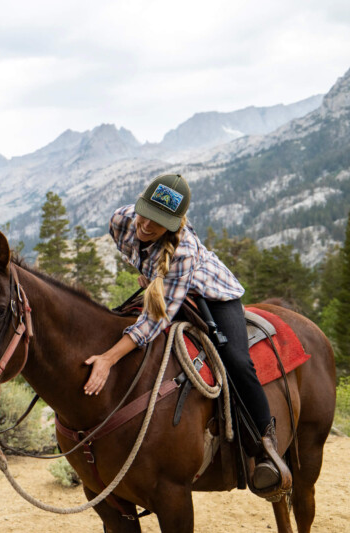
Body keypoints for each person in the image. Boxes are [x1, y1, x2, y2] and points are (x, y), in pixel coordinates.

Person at [83, 173, 289, 494]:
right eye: (145, 214)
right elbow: (141, 257)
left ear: (176, 224)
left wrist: (108, 359)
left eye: (159, 221)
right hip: (169, 287)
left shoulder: (184, 251)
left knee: (236, 360)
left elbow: (154, 321)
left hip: (213, 295)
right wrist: (150, 275)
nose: (147, 226)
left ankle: (265, 443)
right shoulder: (120, 222)